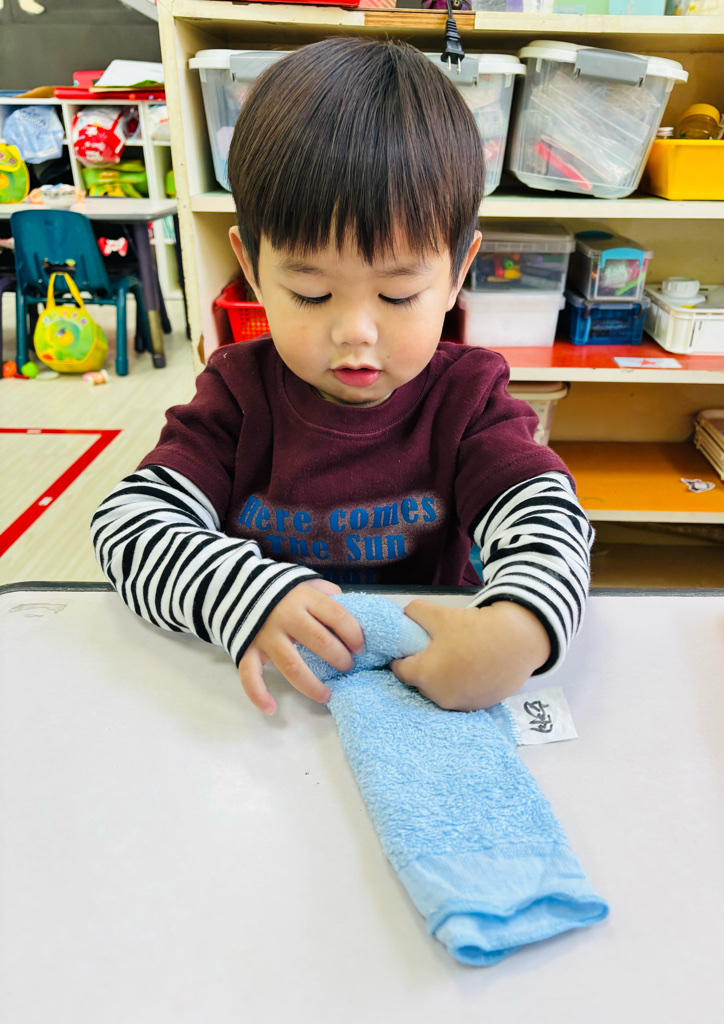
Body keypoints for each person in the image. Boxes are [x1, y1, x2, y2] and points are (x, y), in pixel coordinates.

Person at [91, 38, 592, 717]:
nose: (356, 331)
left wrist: (522, 626)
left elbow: (547, 515)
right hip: (272, 694)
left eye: (398, 295)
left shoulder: (468, 397)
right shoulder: (239, 392)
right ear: (252, 266)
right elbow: (127, 525)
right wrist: (247, 594)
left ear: (457, 272)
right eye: (311, 293)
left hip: (417, 688)